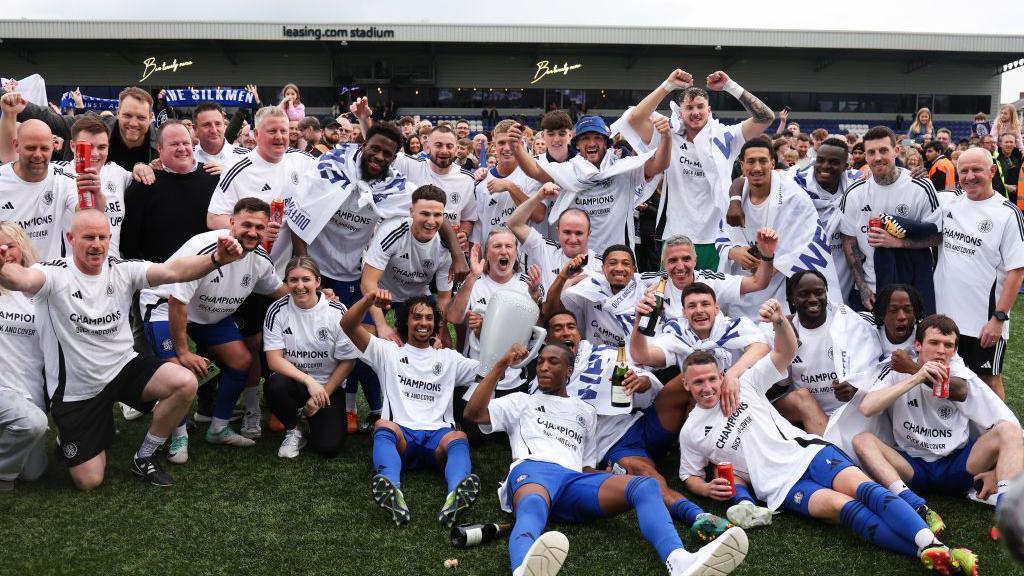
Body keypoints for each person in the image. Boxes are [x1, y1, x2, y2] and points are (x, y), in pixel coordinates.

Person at [677, 299, 977, 575]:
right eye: (698, 382)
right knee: (849, 512)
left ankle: (933, 546)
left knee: (867, 491)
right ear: (686, 385)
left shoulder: (744, 384)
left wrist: (780, 321)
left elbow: (785, 351)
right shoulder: (690, 432)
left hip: (809, 453)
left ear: (721, 376)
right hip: (781, 487)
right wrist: (705, 489)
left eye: (712, 378)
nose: (707, 387)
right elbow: (688, 475)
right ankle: (928, 553)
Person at [0, 209, 244, 489]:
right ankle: (77, 434)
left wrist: (216, 259)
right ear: (71, 238)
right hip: (78, 390)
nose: (97, 244)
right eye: (88, 237)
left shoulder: (122, 269)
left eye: (103, 237)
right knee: (89, 481)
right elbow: (21, 280)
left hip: (123, 367)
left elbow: (173, 270)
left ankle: (145, 457)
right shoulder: (52, 273)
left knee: (184, 382)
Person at [464, 342, 750, 576]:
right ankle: (522, 570)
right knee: (533, 506)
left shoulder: (585, 411)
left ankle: (679, 562)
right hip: (534, 470)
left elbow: (586, 464)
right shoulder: (521, 401)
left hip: (574, 481)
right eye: (540, 363)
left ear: (569, 371)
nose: (544, 367)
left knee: (645, 486)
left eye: (553, 362)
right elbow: (473, 414)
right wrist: (501, 364)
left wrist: (611, 478)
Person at [544, 309, 739, 540]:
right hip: (616, 445)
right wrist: (590, 469)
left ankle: (715, 453)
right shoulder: (545, 381)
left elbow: (647, 381)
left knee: (688, 381)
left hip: (641, 422)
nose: (567, 332)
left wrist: (642, 382)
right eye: (558, 328)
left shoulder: (602, 351)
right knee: (648, 476)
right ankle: (698, 516)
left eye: (571, 326)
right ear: (548, 339)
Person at [853, 315, 1022, 544]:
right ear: (918, 345)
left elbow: (962, 393)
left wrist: (994, 472)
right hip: (913, 467)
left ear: (955, 351)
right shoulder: (897, 370)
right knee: (862, 440)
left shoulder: (959, 371)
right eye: (934, 343)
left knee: (1009, 430)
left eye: (948, 345)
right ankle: (915, 505)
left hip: (959, 465)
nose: (941, 350)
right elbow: (867, 407)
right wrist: (915, 376)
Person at [139, 198, 288, 459]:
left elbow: (279, 292)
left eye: (259, 227)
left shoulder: (261, 259)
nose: (253, 232)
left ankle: (218, 429)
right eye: (246, 225)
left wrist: (316, 296)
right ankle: (178, 436)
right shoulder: (206, 248)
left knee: (242, 360)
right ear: (232, 223)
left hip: (209, 315)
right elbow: (177, 302)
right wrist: (184, 353)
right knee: (176, 372)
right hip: (165, 307)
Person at [342, 289, 481, 528]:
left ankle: (456, 493)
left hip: (438, 439)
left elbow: (485, 371)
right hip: (402, 438)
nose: (423, 323)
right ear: (406, 320)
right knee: (383, 425)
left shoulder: (449, 358)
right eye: (417, 317)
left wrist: (489, 335)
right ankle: (391, 488)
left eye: (429, 318)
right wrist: (368, 302)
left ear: (436, 324)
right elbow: (348, 325)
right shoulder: (388, 352)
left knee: (458, 436)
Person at [618, 68, 775, 271]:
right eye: (689, 108)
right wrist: (668, 85)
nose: (695, 113)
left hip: (717, 239)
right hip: (676, 235)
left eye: (700, 107)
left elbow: (766, 117)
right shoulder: (668, 136)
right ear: (680, 113)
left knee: (711, 300)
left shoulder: (726, 137)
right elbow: (635, 119)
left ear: (709, 110)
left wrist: (730, 86)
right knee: (671, 299)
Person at [933, 148, 1024, 399]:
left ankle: (1005, 436)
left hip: (984, 322)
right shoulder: (948, 201)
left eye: (977, 170)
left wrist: (998, 318)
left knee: (988, 383)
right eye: (964, 171)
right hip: (947, 318)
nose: (970, 176)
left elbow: (1017, 271)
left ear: (992, 171)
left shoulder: (1007, 213)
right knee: (948, 379)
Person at [719, 140, 845, 319]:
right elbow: (719, 234)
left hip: (780, 291)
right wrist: (732, 252)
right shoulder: (732, 198)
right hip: (742, 290)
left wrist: (767, 264)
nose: (757, 168)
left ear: (773, 162)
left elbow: (806, 243)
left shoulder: (794, 197)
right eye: (751, 161)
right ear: (742, 165)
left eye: (763, 161)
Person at [509, 115, 670, 255]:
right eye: (585, 138)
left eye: (597, 138)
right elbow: (535, 171)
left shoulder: (624, 168)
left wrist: (666, 137)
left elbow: (658, 165)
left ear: (606, 142)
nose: (592, 143)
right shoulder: (569, 170)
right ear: (577, 144)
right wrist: (516, 146)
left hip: (618, 261)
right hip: (579, 262)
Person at [447, 231, 537, 443]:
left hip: (513, 377)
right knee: (474, 435)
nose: (503, 251)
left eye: (509, 246)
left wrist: (536, 298)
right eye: (497, 246)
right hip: (477, 373)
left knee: (513, 435)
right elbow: (453, 317)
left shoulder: (527, 284)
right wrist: (471, 276)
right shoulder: (475, 281)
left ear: (516, 252)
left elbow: (538, 331)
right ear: (487, 252)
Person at [263, 256, 357, 459]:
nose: (299, 286)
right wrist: (308, 380)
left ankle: (312, 417)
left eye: (306, 279)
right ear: (286, 282)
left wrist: (322, 392)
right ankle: (294, 429)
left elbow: (348, 360)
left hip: (328, 388)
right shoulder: (276, 311)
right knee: (275, 385)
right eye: (293, 280)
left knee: (328, 448)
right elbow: (274, 360)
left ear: (318, 281)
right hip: (295, 383)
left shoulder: (337, 311)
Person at [839, 126, 939, 313]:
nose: (877, 157)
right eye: (871, 152)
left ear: (896, 151)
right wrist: (863, 288)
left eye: (883, 150)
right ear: (865, 157)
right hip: (872, 290)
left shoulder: (921, 187)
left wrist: (898, 243)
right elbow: (849, 242)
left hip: (912, 290)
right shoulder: (854, 193)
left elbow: (937, 236)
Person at [208, 106, 315, 274]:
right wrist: (256, 231)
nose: (279, 137)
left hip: (280, 273)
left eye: (283, 131)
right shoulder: (238, 170)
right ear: (256, 134)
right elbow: (214, 218)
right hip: (244, 272)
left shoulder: (302, 161)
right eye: (272, 131)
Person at [360, 185, 454, 344]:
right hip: (382, 293)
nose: (431, 221)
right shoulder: (392, 232)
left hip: (418, 294)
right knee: (368, 336)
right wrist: (382, 326)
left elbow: (444, 297)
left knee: (444, 343)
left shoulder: (446, 246)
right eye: (425, 213)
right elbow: (368, 281)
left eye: (437, 215)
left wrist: (438, 333)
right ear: (411, 212)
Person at [0, 222, 48, 491]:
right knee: (32, 423)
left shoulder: (39, 289)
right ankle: (3, 477)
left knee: (33, 473)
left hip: (28, 392)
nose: (5, 252)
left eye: (10, 245)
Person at [2, 86, 154, 168]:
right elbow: (50, 118)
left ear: (151, 117)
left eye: (141, 117)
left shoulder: (165, 143)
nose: (133, 123)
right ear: (118, 113)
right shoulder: (94, 126)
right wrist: (16, 104)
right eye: (127, 116)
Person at [788, 137, 864, 299]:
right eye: (820, 160)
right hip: (808, 264)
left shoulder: (857, 184)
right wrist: (735, 201)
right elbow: (743, 181)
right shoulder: (797, 181)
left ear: (846, 166)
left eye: (834, 162)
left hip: (843, 266)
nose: (825, 166)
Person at [644, 232, 776, 323]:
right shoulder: (653, 281)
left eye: (686, 259)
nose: (680, 266)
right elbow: (625, 276)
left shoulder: (710, 281)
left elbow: (758, 283)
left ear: (695, 260)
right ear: (663, 264)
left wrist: (767, 255)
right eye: (673, 260)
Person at [0, 119, 78, 259]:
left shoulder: (63, 178)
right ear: (16, 146)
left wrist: (94, 193)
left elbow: (87, 212)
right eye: (31, 148)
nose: (38, 154)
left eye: (44, 148)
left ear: (53, 148)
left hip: (48, 277)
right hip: (7, 277)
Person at [505, 184, 602, 290]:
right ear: (558, 232)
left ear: (589, 234)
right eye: (567, 232)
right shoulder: (545, 250)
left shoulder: (600, 265)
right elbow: (514, 224)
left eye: (579, 233)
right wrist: (539, 196)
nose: (573, 239)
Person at [543, 244, 643, 347]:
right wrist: (563, 276)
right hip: (592, 359)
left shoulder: (643, 290)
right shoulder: (589, 288)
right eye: (613, 263)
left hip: (632, 360)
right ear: (603, 269)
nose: (619, 268)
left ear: (633, 270)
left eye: (625, 264)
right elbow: (551, 311)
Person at [471, 120, 544, 245]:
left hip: (526, 259)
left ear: (521, 144)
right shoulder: (481, 182)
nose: (507, 148)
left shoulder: (533, 176)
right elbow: (477, 233)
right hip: (493, 258)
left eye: (512, 142)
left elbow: (538, 216)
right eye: (501, 143)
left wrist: (510, 187)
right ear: (494, 145)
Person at [192, 102, 250, 167]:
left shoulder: (245, 156)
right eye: (207, 125)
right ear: (195, 129)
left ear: (224, 125)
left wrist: (228, 173)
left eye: (218, 124)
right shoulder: (187, 155)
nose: (214, 130)